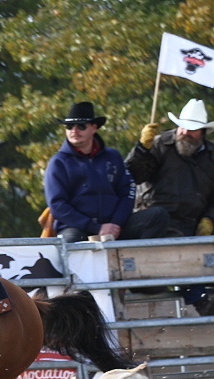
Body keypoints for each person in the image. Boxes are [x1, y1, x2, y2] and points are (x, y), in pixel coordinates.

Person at [125, 98, 214, 316]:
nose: (185, 132)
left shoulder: (212, 155)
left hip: (195, 221)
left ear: (202, 132)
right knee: (177, 243)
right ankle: (198, 296)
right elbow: (133, 175)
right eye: (182, 126)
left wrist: (210, 218)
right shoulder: (159, 145)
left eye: (192, 129)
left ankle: (202, 295)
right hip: (157, 220)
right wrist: (141, 149)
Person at [44, 102, 169, 243]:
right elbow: (57, 205)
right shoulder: (58, 162)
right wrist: (96, 227)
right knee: (71, 242)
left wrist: (115, 224)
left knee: (158, 215)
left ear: (94, 127)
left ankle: (144, 263)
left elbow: (127, 191)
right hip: (77, 228)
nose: (74, 131)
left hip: (116, 226)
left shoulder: (113, 156)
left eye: (81, 126)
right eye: (69, 127)